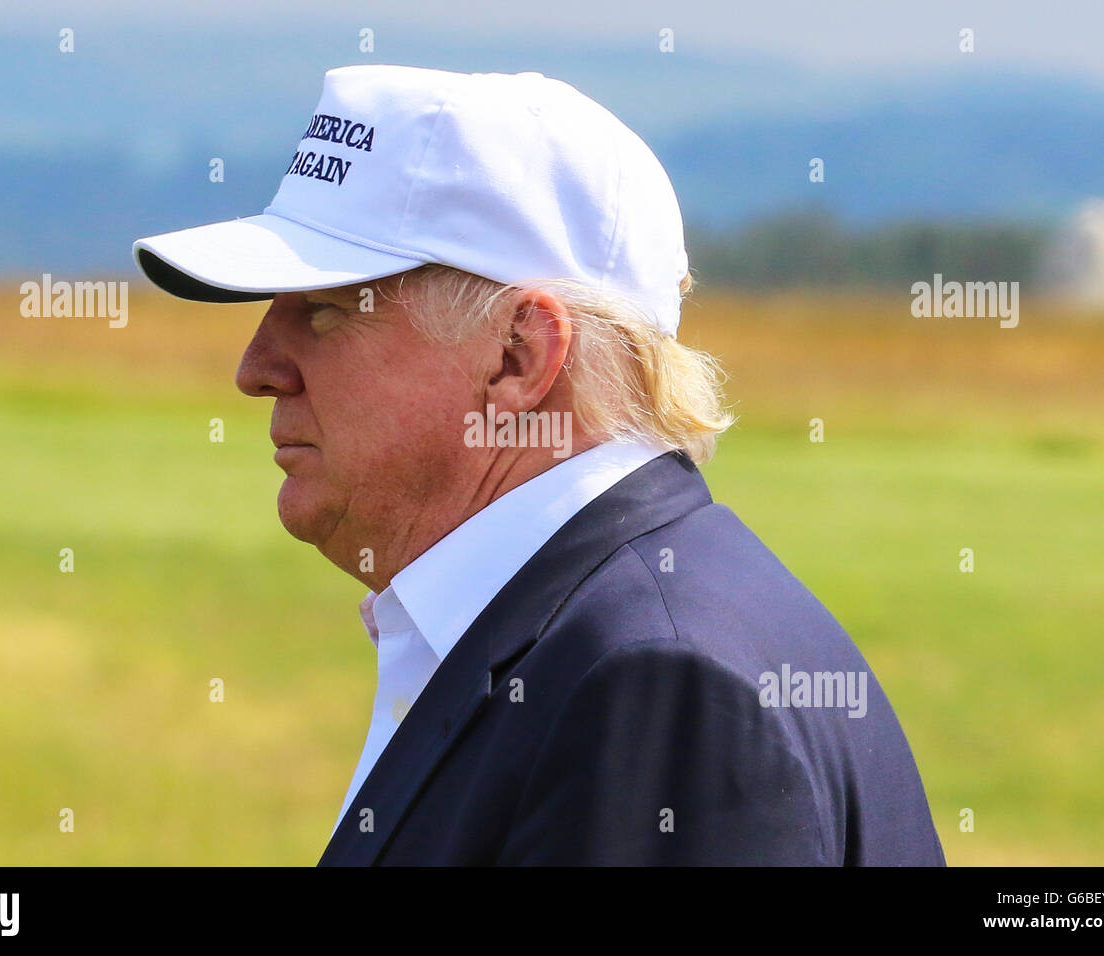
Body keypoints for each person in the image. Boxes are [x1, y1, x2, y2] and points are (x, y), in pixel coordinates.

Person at [132, 64, 945, 866]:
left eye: (326, 312)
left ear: (519, 356)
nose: (257, 368)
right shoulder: (607, 632)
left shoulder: (653, 688)